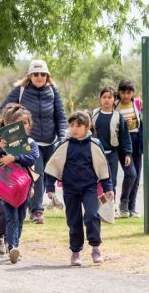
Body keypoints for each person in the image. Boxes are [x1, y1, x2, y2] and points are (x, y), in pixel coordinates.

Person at [0, 59, 67, 224]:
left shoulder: (53, 91)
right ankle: (37, 211)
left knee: (44, 177)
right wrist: (16, 128)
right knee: (38, 175)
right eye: (35, 74)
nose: (39, 77)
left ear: (47, 76)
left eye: (43, 74)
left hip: (50, 141)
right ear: (30, 75)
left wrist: (63, 135)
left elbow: (60, 115)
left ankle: (30, 205)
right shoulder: (20, 90)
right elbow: (3, 109)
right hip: (30, 142)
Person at [45, 110, 113, 266]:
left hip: (90, 188)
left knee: (92, 215)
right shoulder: (64, 144)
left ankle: (95, 247)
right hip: (70, 189)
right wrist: (50, 187)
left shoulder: (95, 144)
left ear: (88, 127)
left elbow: (104, 167)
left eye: (78, 125)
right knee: (74, 220)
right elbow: (52, 166)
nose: (74, 128)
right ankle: (75, 252)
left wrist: (108, 187)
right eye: (72, 125)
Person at [0, 104, 40, 264]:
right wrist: (1, 151)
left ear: (29, 126)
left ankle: (13, 243)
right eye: (19, 123)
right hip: (6, 188)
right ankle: (12, 247)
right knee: (10, 217)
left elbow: (33, 158)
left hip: (24, 187)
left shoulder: (31, 142)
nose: (22, 126)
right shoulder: (2, 141)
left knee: (21, 216)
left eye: (25, 123)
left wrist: (15, 158)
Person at [92, 86, 135, 216]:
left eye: (110, 97)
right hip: (95, 154)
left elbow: (125, 136)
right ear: (100, 99)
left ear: (114, 99)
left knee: (111, 181)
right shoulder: (94, 114)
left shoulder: (118, 117)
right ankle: (96, 206)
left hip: (112, 154)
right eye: (104, 97)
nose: (107, 100)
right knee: (96, 181)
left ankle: (111, 208)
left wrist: (127, 153)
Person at [117, 79, 144, 217]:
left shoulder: (137, 103)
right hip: (123, 144)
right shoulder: (116, 106)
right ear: (119, 93)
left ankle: (132, 207)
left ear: (133, 93)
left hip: (137, 141)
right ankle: (123, 204)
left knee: (137, 176)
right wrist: (122, 123)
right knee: (130, 173)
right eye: (123, 92)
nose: (126, 95)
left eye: (129, 92)